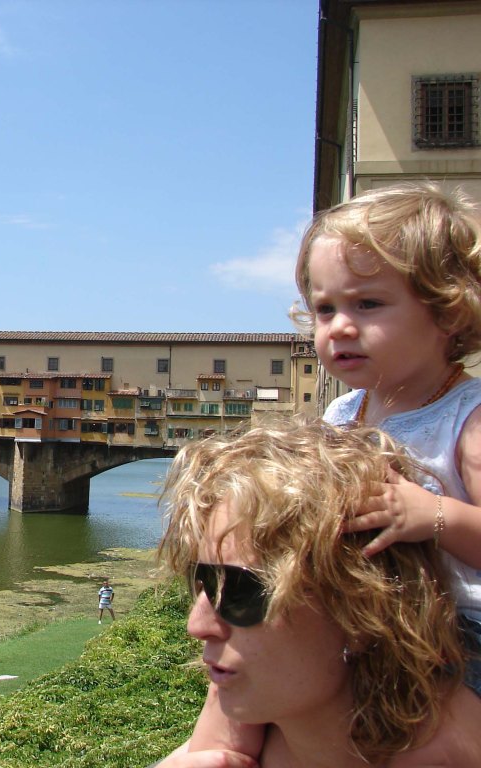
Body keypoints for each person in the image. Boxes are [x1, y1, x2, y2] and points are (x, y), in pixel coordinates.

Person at [186, 182, 481, 761]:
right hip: (370, 623)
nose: (339, 327)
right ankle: (224, 748)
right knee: (255, 654)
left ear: (448, 310)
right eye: (326, 308)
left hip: (461, 638)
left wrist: (435, 516)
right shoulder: (345, 415)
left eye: (367, 304)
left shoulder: (467, 421)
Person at [157, 420, 481, 767]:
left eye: (239, 590)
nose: (197, 624)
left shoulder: (447, 754)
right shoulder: (231, 737)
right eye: (202, 581)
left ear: (362, 607)